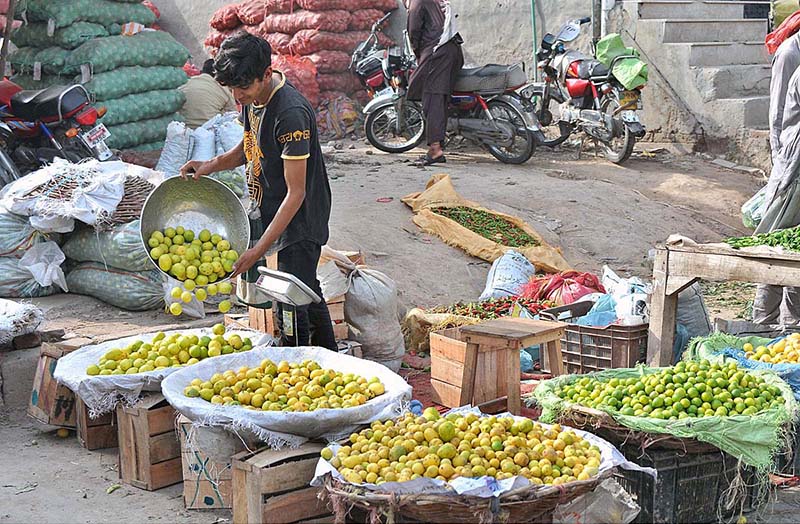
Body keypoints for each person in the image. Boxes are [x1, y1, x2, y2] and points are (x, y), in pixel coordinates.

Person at [179, 33, 336, 350]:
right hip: (272, 205)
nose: (238, 96)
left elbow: (296, 193)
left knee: (291, 297)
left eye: (244, 88)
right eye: (232, 89)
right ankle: (329, 353)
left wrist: (258, 251)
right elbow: (248, 148)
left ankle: (296, 361)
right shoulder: (253, 98)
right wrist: (210, 165)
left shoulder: (290, 114)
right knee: (306, 286)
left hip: (300, 216)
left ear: (267, 74)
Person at [753, 12, 800, 327]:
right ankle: (762, 323)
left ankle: (790, 326)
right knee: (777, 244)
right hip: (791, 165)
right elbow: (777, 117)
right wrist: (780, 162)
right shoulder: (789, 55)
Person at [406, 0, 464, 166]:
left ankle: (435, 149)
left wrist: (418, 54)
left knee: (432, 98)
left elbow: (413, 32)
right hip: (453, 50)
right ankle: (440, 141)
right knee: (442, 98)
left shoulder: (416, 3)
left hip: (437, 52)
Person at [178, 58, 238, 128]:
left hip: (183, 129)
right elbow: (234, 116)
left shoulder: (187, 83)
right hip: (209, 132)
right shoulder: (223, 88)